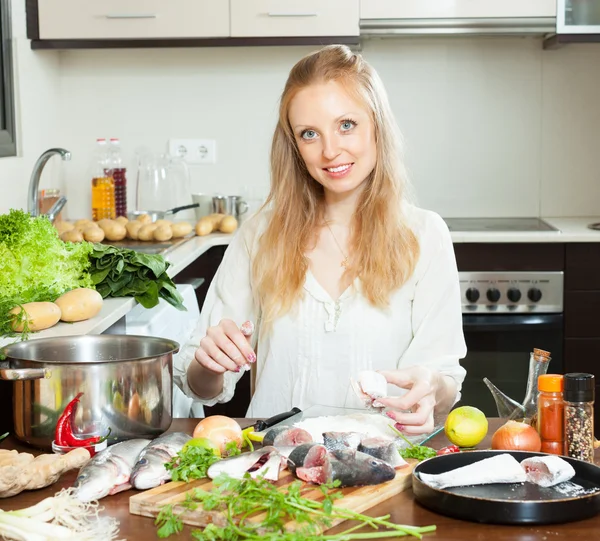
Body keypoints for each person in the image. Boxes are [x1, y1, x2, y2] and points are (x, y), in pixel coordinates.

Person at [174, 44, 466, 434]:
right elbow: (202, 388)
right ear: (294, 146)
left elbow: (443, 378)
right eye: (309, 134)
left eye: (347, 124)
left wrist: (432, 389)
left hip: (386, 466)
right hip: (276, 471)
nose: (330, 150)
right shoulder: (259, 235)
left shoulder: (425, 236)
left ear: (377, 125)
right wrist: (209, 362)